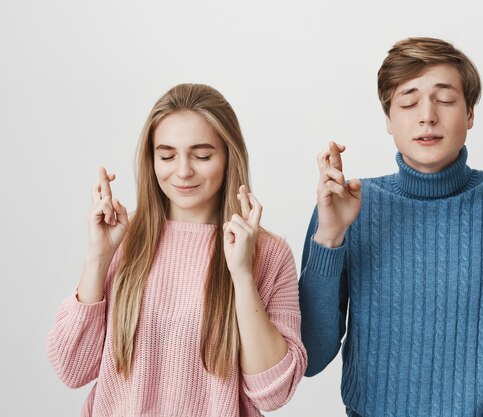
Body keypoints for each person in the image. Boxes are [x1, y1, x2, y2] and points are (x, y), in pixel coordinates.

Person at [299, 37, 483, 417]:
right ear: (388, 119)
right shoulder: (349, 205)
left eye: (445, 99)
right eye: (408, 102)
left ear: (470, 114)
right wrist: (328, 238)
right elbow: (309, 358)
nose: (427, 115)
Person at [46, 83, 306, 417]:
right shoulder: (123, 239)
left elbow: (274, 393)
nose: (183, 171)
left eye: (202, 155)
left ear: (229, 156)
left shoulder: (267, 253)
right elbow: (71, 368)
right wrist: (98, 257)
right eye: (167, 155)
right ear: (151, 159)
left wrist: (241, 275)